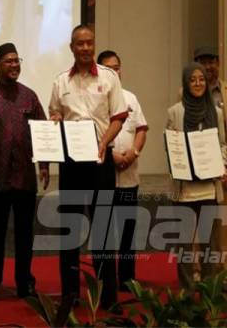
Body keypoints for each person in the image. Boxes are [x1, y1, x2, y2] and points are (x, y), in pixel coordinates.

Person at [48, 25, 127, 311]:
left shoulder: (108, 78)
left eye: (89, 43)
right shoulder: (60, 82)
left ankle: (107, 297)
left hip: (99, 161)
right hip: (70, 163)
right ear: (71, 47)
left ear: (93, 46)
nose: (85, 48)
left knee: (103, 231)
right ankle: (69, 296)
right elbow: (54, 112)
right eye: (79, 44)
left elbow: (118, 117)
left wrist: (104, 142)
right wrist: (55, 117)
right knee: (70, 231)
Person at [0, 43, 50, 305]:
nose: (14, 65)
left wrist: (45, 164)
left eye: (17, 60)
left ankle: (24, 283)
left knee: (25, 235)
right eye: (8, 61)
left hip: (25, 178)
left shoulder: (30, 96)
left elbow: (43, 132)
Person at [166, 63, 227, 291]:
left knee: (209, 243)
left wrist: (223, 164)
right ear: (185, 83)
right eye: (192, 80)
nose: (198, 83)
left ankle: (209, 290)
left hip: (209, 186)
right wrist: (176, 161)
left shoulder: (217, 112)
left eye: (201, 79)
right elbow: (170, 144)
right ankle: (186, 290)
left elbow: (222, 143)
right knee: (183, 243)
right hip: (184, 188)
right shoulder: (175, 111)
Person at [97, 50, 148, 291]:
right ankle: (100, 279)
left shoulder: (131, 98)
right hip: (102, 175)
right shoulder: (96, 100)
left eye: (117, 67)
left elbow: (141, 129)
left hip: (129, 176)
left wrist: (133, 153)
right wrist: (112, 155)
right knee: (102, 232)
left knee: (127, 231)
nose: (114, 72)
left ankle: (127, 279)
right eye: (108, 68)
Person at [194, 46, 227, 262]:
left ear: (218, 63)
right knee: (199, 225)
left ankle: (222, 277)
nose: (208, 67)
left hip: (224, 170)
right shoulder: (187, 92)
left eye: (211, 61)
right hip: (197, 172)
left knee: (222, 227)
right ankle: (198, 272)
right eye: (203, 62)